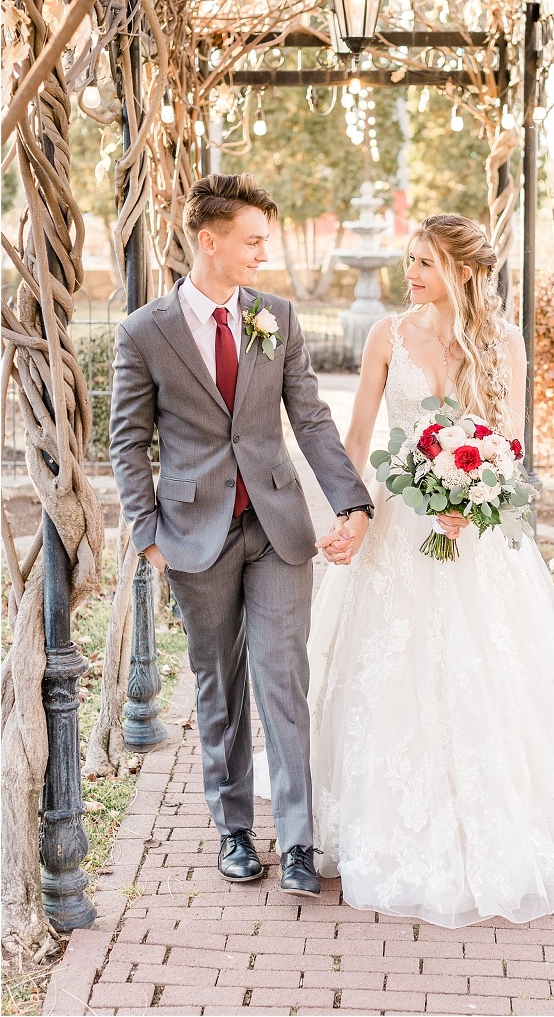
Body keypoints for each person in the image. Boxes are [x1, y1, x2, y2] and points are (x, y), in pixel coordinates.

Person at [256, 213, 554, 927]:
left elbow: (508, 444)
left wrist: (475, 505)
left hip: (472, 532)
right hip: (397, 519)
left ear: (462, 270)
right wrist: (349, 511)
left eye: (425, 262)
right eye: (410, 259)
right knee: (392, 666)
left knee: (481, 669)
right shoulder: (386, 336)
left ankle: (483, 816)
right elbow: (358, 435)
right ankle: (381, 815)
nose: (411, 273)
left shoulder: (501, 342)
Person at [109, 173, 373, 896]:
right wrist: (146, 534)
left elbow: (312, 421)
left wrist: (352, 502)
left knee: (284, 681)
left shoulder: (276, 317)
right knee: (218, 686)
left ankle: (296, 841)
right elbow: (128, 442)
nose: (263, 253)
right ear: (210, 239)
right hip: (193, 533)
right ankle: (232, 830)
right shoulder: (144, 333)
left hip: (279, 528)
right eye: (252, 240)